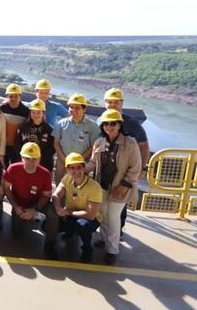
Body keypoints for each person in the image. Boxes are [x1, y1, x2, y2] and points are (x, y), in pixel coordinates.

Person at [86, 109, 141, 264]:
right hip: (101, 186)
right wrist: (79, 169)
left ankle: (112, 249)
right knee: (102, 214)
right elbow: (92, 163)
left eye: (113, 123)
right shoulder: (99, 142)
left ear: (119, 125)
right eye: (106, 123)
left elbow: (135, 168)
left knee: (113, 218)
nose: (109, 126)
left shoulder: (130, 143)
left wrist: (124, 185)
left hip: (120, 188)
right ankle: (104, 239)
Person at [103, 87, 150, 237]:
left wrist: (141, 168)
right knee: (105, 207)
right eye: (110, 102)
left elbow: (144, 147)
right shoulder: (103, 120)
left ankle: (118, 233)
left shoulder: (133, 124)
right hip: (107, 172)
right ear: (105, 103)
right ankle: (106, 237)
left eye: (116, 102)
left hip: (125, 172)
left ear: (122, 103)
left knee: (119, 205)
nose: (113, 105)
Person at [3, 142, 59, 259]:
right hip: (19, 203)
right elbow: (6, 188)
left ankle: (50, 244)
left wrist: (34, 210)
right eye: (27, 158)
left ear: (39, 159)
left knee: (53, 214)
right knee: (16, 234)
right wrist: (16, 206)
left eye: (34, 159)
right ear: (22, 158)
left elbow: (46, 195)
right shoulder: (13, 168)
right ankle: (24, 218)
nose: (31, 162)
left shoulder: (45, 173)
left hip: (37, 203)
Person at [52, 153, 103, 263]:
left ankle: (87, 249)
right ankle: (70, 232)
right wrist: (58, 209)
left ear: (84, 167)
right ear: (67, 169)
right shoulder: (67, 178)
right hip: (71, 214)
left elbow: (90, 215)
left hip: (90, 218)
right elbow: (56, 195)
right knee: (47, 225)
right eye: (72, 168)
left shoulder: (94, 187)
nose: (76, 171)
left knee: (82, 225)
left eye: (79, 167)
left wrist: (67, 212)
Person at [53, 93, 100, 183]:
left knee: (78, 189)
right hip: (62, 162)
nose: (73, 110)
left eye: (77, 108)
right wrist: (65, 159)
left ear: (84, 109)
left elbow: (93, 146)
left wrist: (78, 161)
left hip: (81, 164)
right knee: (60, 185)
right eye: (71, 107)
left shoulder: (93, 126)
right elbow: (56, 143)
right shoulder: (61, 123)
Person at [15, 99, 55, 172]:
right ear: (30, 113)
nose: (36, 115)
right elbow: (17, 145)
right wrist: (23, 160)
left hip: (43, 164)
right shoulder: (22, 127)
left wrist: (37, 161)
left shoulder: (49, 130)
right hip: (24, 163)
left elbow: (51, 149)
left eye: (38, 112)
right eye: (33, 112)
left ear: (43, 113)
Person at [0, 83, 29, 167]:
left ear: (20, 97)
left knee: (16, 168)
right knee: (1, 168)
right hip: (3, 145)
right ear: (7, 97)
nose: (13, 98)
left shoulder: (26, 111)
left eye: (16, 96)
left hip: (16, 147)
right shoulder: (1, 109)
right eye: (11, 96)